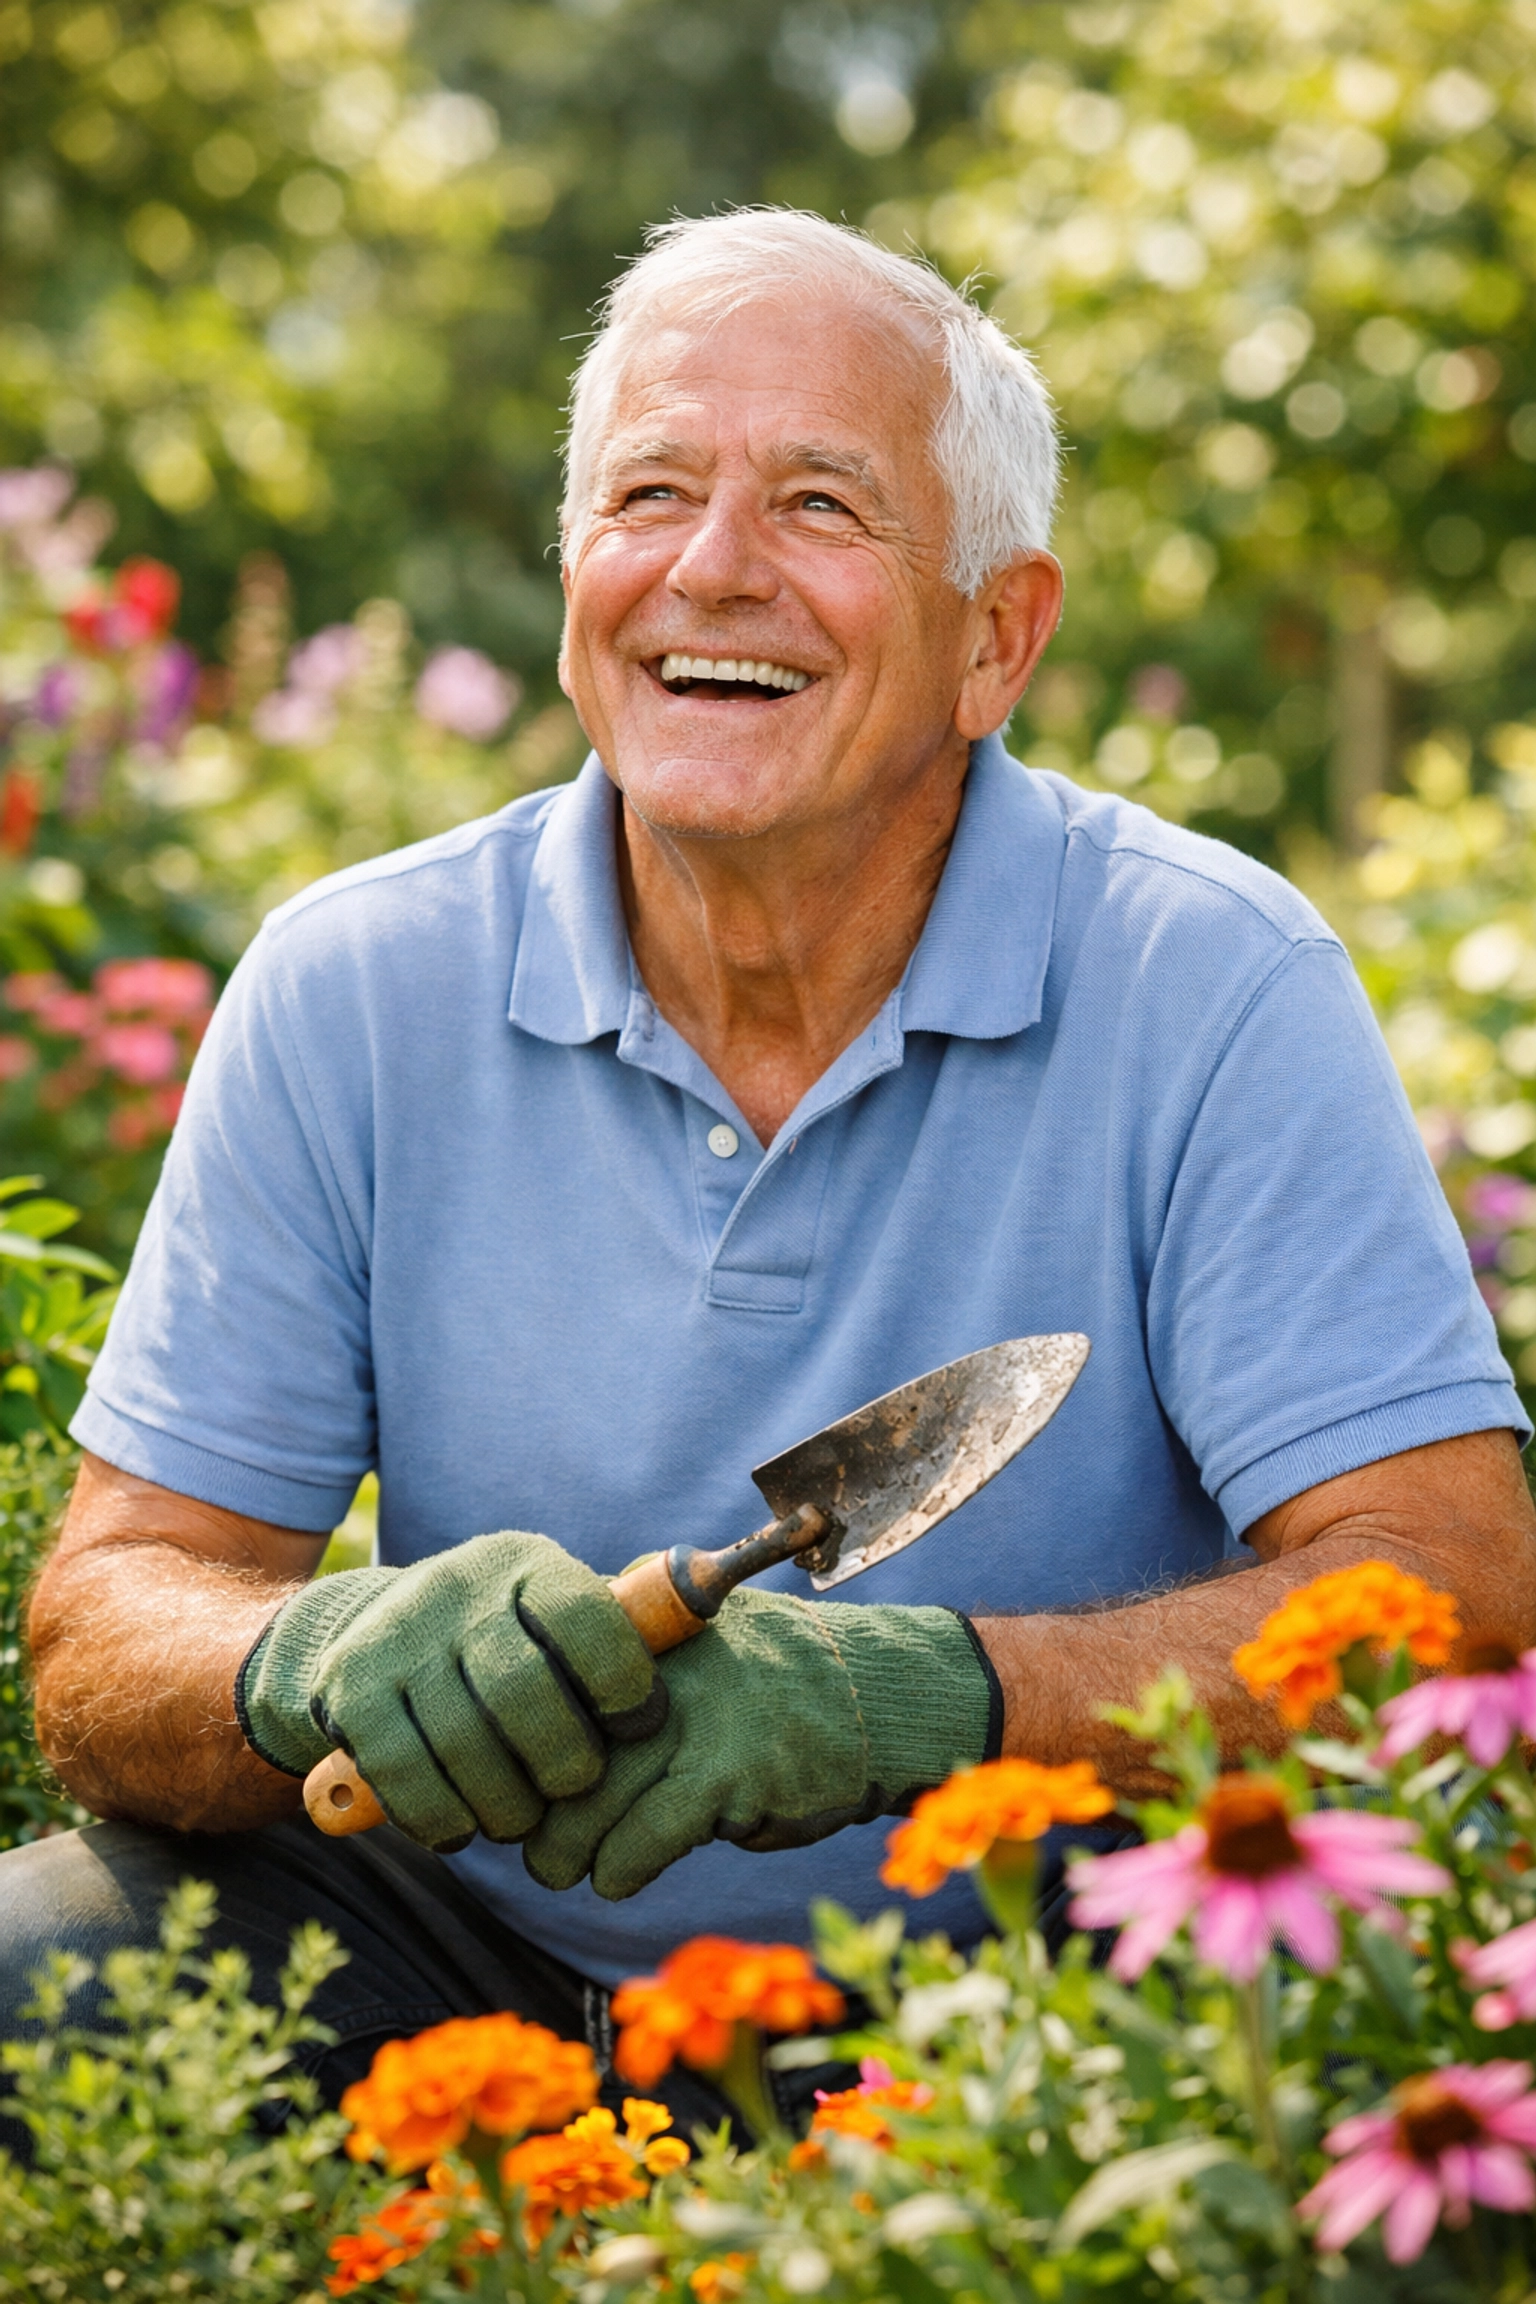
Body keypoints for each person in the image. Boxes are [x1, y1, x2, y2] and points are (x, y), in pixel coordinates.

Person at [4, 210, 1534, 2133]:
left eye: (822, 504)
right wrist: (305, 1657)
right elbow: (111, 1617)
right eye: (650, 490)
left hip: (1029, 1979)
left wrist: (929, 1703)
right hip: (474, 1967)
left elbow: (1455, 1588)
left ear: (1001, 636)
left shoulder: (1210, 983)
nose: (711, 572)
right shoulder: (354, 985)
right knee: (24, 1971)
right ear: (575, 575)